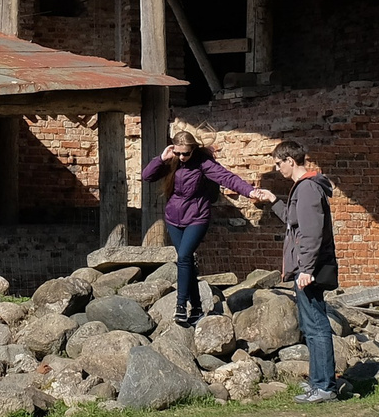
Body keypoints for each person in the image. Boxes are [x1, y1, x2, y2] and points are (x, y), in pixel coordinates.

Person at [141, 128, 276, 325]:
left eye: (185, 153)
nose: (182, 157)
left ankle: (180, 307)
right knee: (186, 263)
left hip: (197, 216)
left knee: (185, 257)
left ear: (193, 150)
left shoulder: (203, 163)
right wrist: (162, 158)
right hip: (173, 218)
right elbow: (147, 176)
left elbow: (228, 178)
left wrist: (251, 192)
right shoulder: (172, 160)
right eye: (178, 153)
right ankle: (196, 308)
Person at [272, 139, 343, 402]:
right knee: (311, 324)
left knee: (316, 326)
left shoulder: (308, 189)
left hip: (309, 270)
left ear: (290, 160)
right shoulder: (304, 189)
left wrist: (306, 268)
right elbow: (295, 223)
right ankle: (317, 382)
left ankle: (324, 386)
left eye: (279, 163)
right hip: (307, 268)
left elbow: (311, 232)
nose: (278, 169)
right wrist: (272, 201)